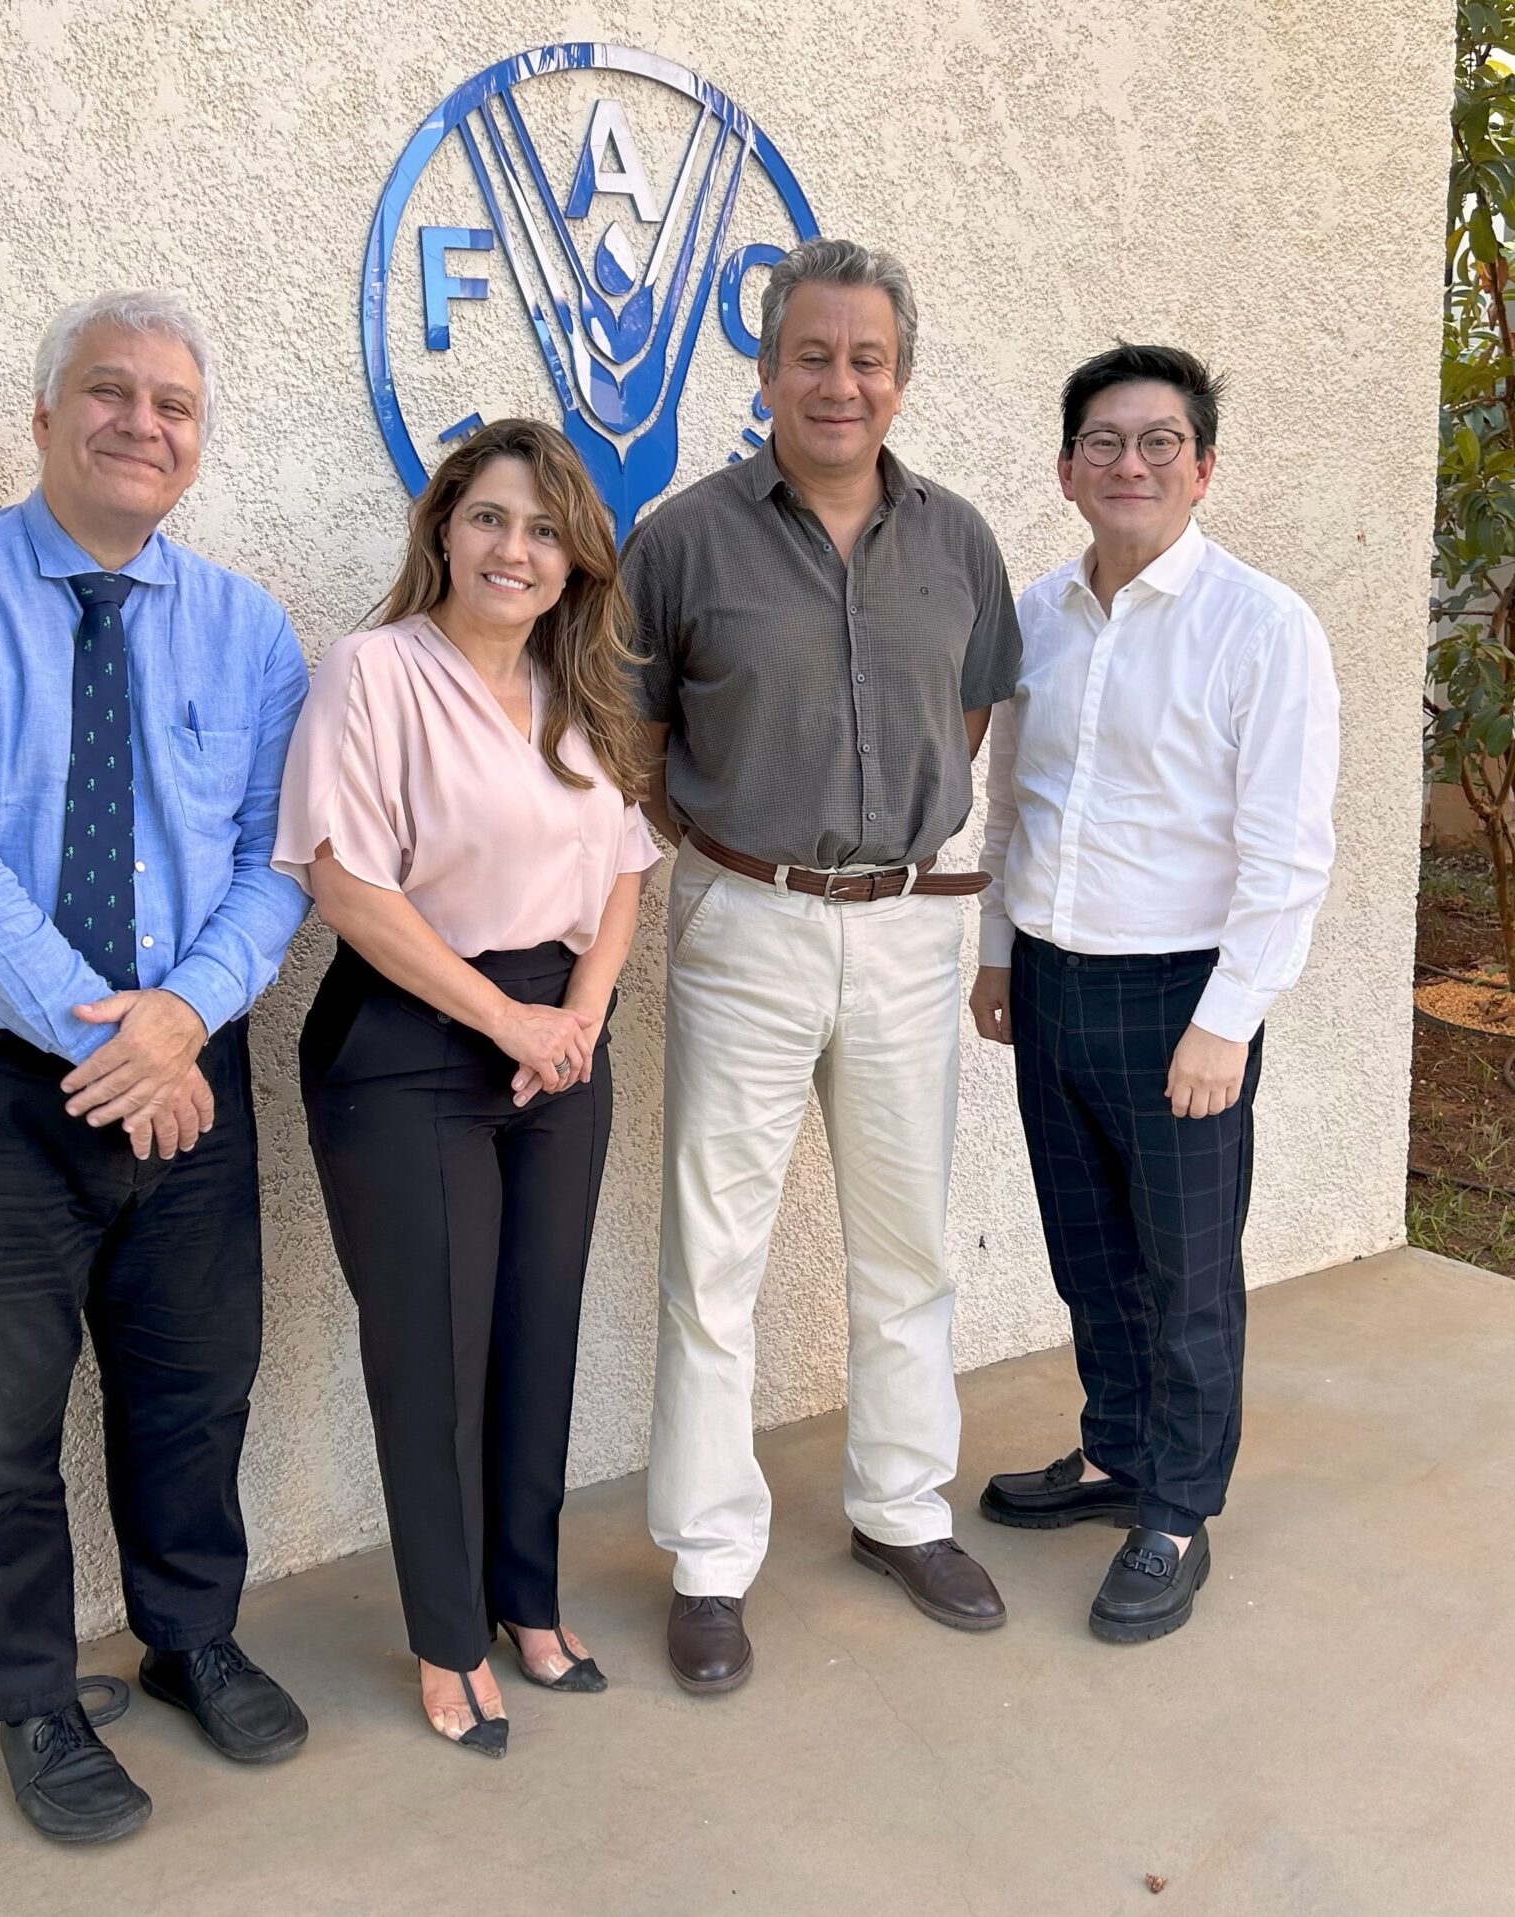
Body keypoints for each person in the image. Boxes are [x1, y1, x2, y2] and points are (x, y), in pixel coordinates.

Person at [0, 289, 312, 1842]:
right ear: (44, 420)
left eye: (175, 404)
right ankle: (30, 1694)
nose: (143, 424)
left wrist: (186, 1019)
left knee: (193, 1382)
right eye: (111, 393)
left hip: (180, 1056)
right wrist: (124, 1040)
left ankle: (188, 1637)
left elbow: (276, 858)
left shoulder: (246, 627)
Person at [623, 238, 1021, 1694]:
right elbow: (640, 733)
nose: (838, 381)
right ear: (770, 368)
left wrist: (884, 862)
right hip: (748, 921)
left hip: (910, 926)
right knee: (712, 1255)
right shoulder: (683, 539)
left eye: (865, 358)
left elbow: (968, 719)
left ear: (899, 376)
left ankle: (902, 1509)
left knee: (907, 1245)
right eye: (812, 353)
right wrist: (753, 851)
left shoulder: (961, 540)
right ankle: (713, 1557)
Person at [276, 418, 658, 1756]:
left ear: (574, 560)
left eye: (546, 529)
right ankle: (448, 1640)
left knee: (537, 1336)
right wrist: (505, 1015)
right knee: (434, 1358)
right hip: (412, 1041)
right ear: (444, 526)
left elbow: (621, 870)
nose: (517, 547)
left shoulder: (580, 687)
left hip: (562, 1036)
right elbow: (344, 882)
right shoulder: (373, 673)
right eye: (492, 517)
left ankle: (528, 1605)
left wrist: (581, 1017)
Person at [971, 343, 1340, 1643]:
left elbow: (1288, 851)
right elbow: (1016, 795)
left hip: (1185, 993)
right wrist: (1000, 952)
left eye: (1160, 442)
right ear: (1068, 469)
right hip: (1056, 981)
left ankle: (1177, 1508)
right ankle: (1117, 1449)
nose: (1131, 463)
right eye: (1105, 443)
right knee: (1090, 1254)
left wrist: (1227, 1019)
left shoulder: (1263, 626)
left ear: (1204, 468)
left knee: (1186, 1272)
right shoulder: (1036, 615)